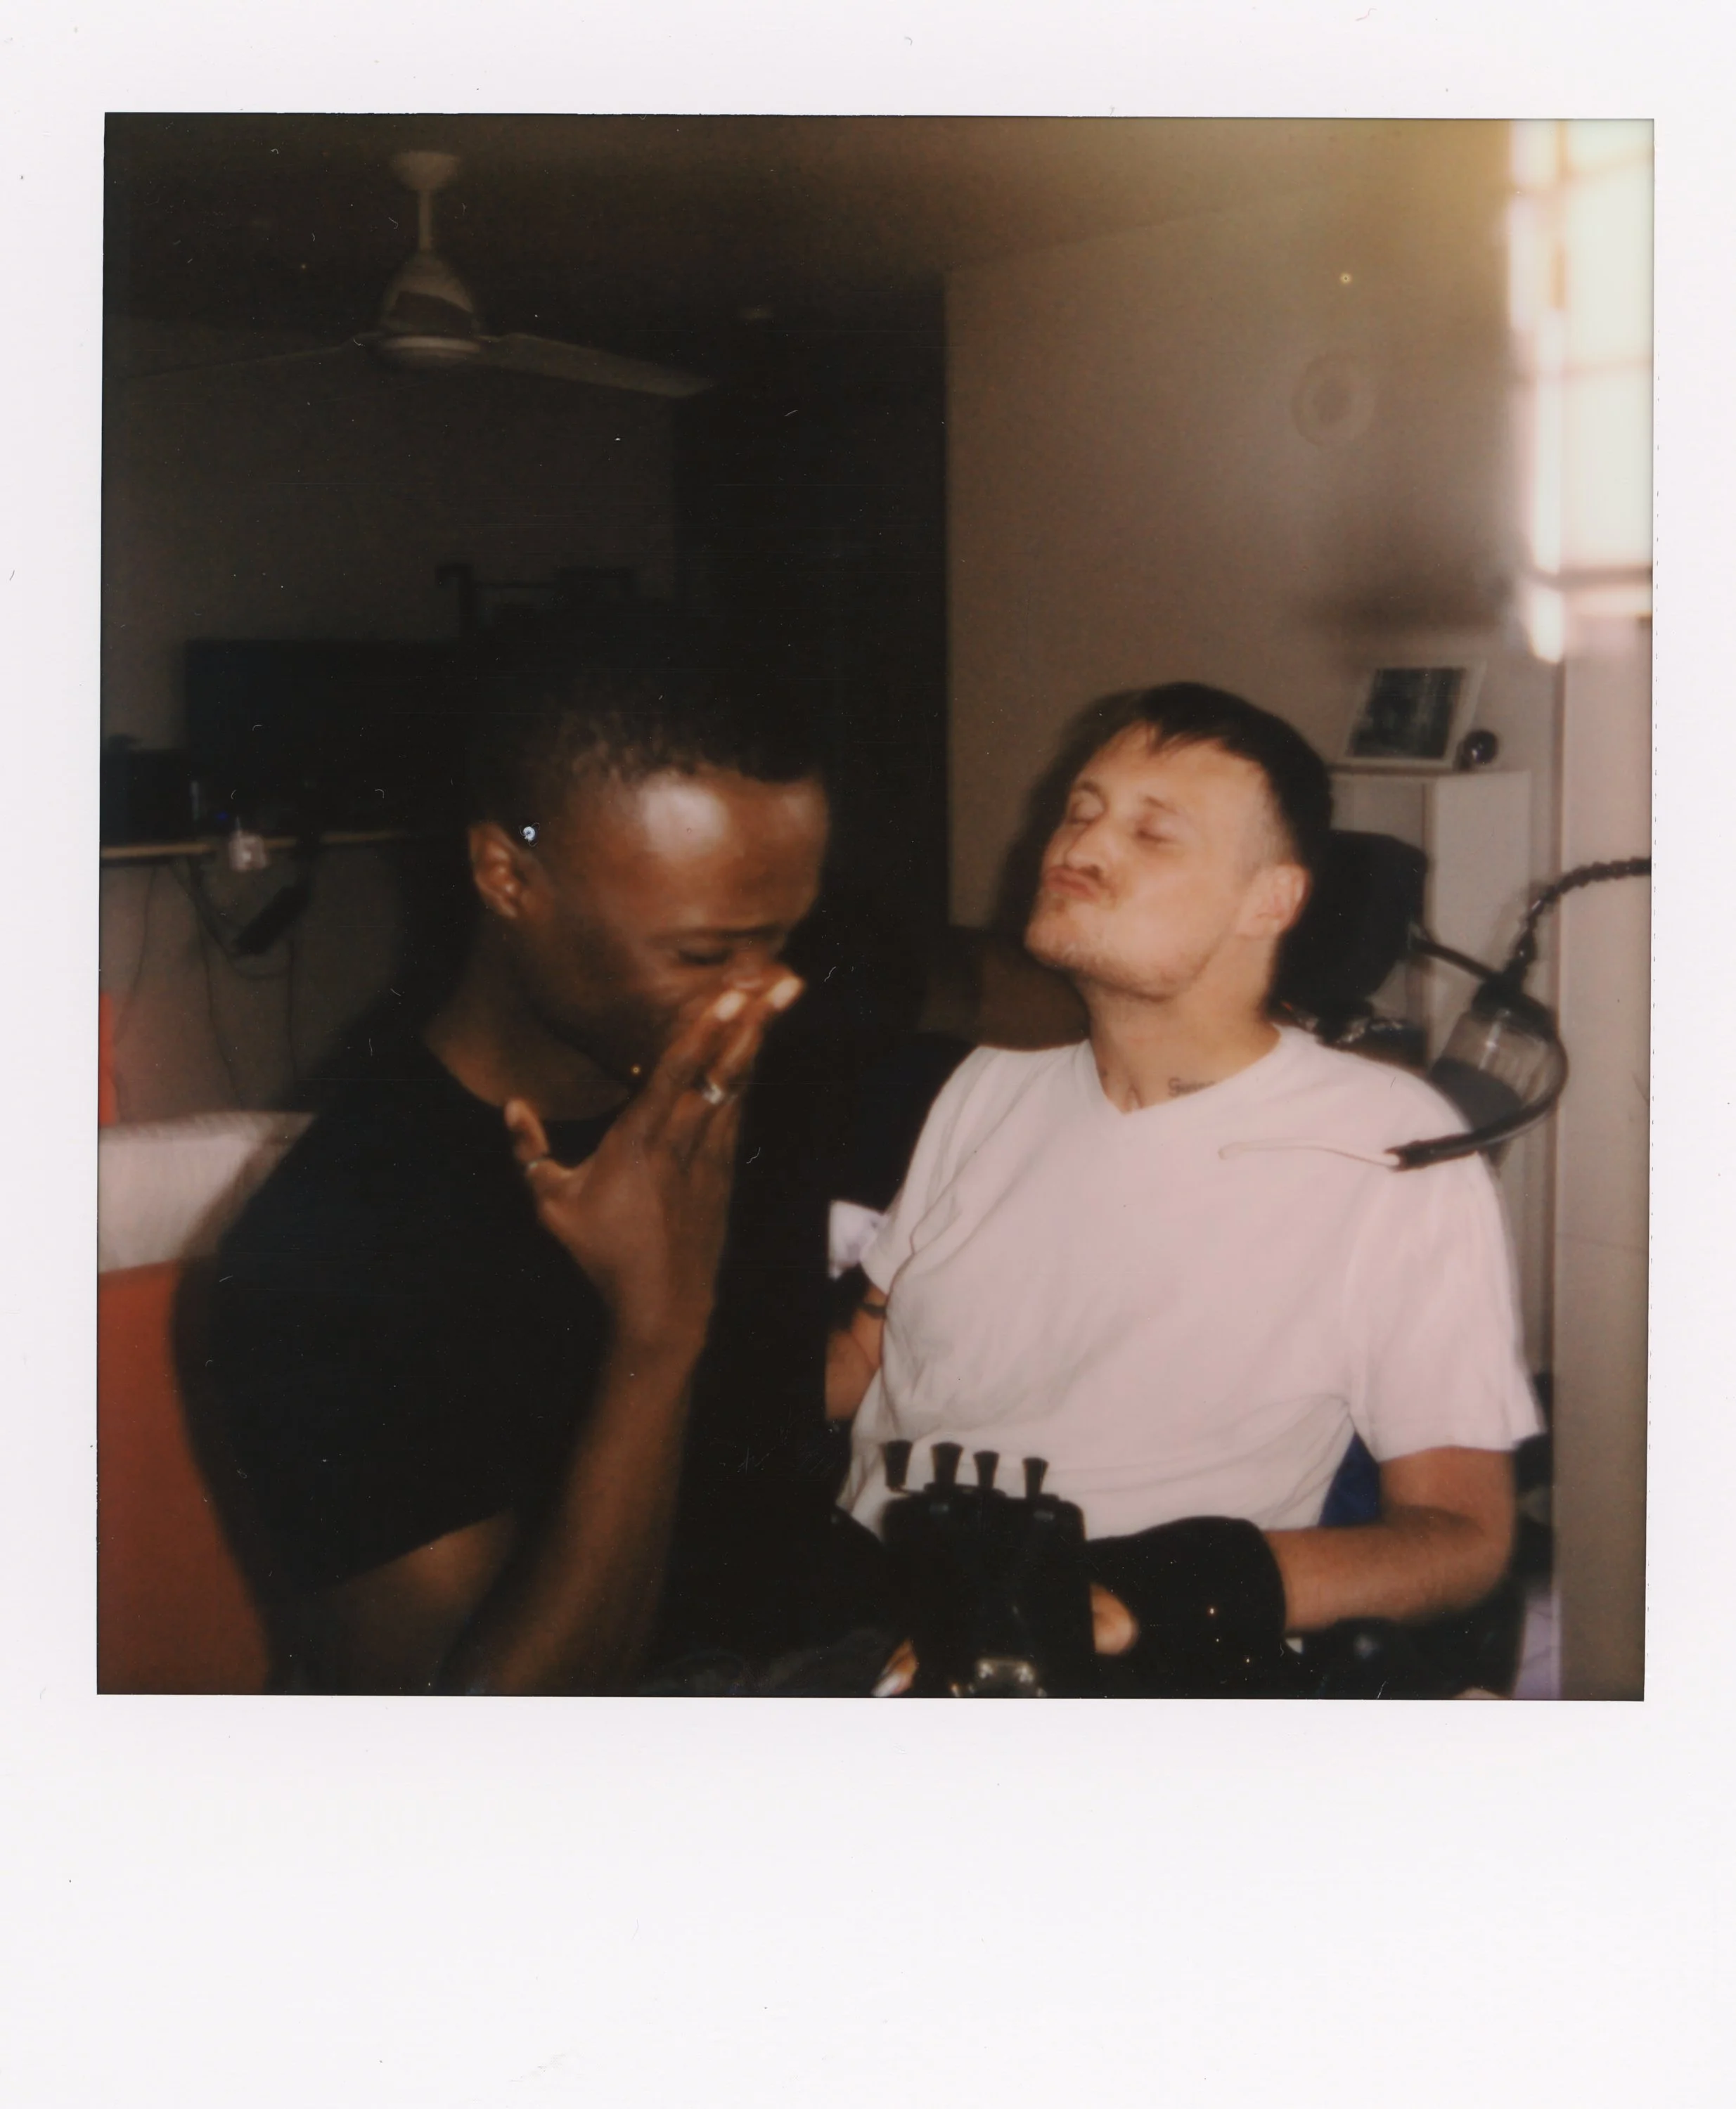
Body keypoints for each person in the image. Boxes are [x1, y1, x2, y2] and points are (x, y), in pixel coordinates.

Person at [825, 683, 1542, 1697]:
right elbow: (868, 1351)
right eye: (1082, 808)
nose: (1084, 843)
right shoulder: (991, 1079)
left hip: (1125, 1648)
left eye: (1152, 832)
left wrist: (1160, 1594)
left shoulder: (1388, 1151)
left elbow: (1461, 1537)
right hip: (859, 1600)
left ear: (1271, 902)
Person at [208, 633, 839, 1694]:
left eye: (785, 939)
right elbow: (469, 1762)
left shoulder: (746, 1057)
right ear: (507, 875)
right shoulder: (333, 1247)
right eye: (703, 953)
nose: (766, 992)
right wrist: (658, 1333)